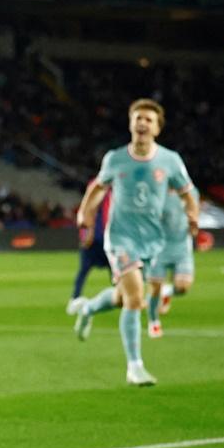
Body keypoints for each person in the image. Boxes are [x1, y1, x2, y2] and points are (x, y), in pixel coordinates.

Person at [68, 99, 199, 387]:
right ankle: (135, 367)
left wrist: (193, 215)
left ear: (157, 129)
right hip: (121, 239)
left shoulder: (170, 161)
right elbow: (98, 188)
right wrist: (84, 213)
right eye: (138, 118)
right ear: (130, 123)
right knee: (137, 298)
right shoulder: (115, 158)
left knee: (122, 298)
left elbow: (188, 192)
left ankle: (89, 308)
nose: (142, 123)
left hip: (153, 241)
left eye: (148, 120)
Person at [146, 187, 199, 336]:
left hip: (182, 248)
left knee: (183, 287)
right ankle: (153, 322)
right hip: (159, 248)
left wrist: (194, 223)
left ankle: (167, 291)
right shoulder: (156, 193)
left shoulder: (192, 192)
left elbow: (194, 213)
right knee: (154, 288)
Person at [66, 178, 110, 313]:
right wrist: (87, 234)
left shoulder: (110, 190)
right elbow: (89, 211)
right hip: (98, 237)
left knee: (86, 270)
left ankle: (74, 298)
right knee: (85, 269)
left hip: (106, 236)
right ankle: (74, 299)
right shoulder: (100, 188)